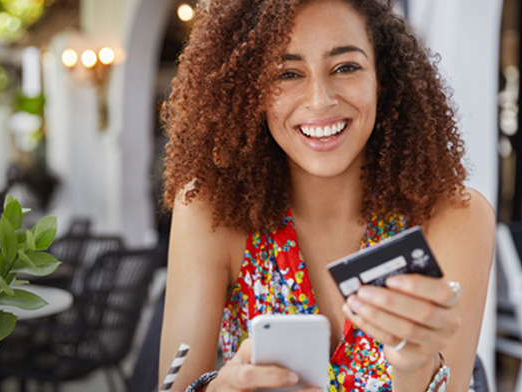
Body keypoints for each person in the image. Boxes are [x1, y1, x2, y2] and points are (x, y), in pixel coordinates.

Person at [154, 1, 495, 392]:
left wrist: (415, 366)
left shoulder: (454, 218)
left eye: (346, 67)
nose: (320, 100)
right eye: (287, 73)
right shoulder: (210, 212)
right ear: (252, 90)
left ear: (381, 78)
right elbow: (171, 386)